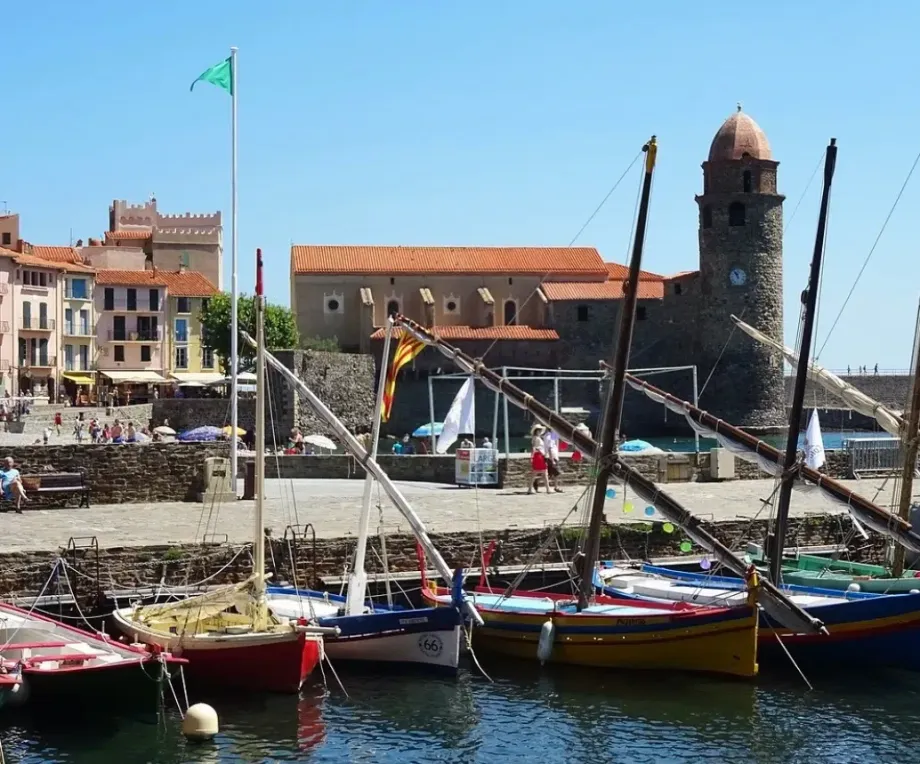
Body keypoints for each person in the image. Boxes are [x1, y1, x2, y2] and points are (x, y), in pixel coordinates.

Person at [528, 424, 550, 495]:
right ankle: (547, 489)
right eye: (538, 430)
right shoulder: (536, 438)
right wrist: (532, 457)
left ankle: (531, 489)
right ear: (536, 431)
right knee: (541, 472)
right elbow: (534, 447)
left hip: (540, 455)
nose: (539, 431)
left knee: (537, 473)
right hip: (539, 456)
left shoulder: (537, 438)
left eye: (540, 430)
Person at [543, 429, 563, 493]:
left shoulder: (553, 434)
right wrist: (552, 460)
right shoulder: (548, 436)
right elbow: (549, 448)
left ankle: (537, 481)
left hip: (553, 456)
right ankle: (556, 487)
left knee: (550, 473)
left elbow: (556, 443)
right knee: (556, 473)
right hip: (551, 457)